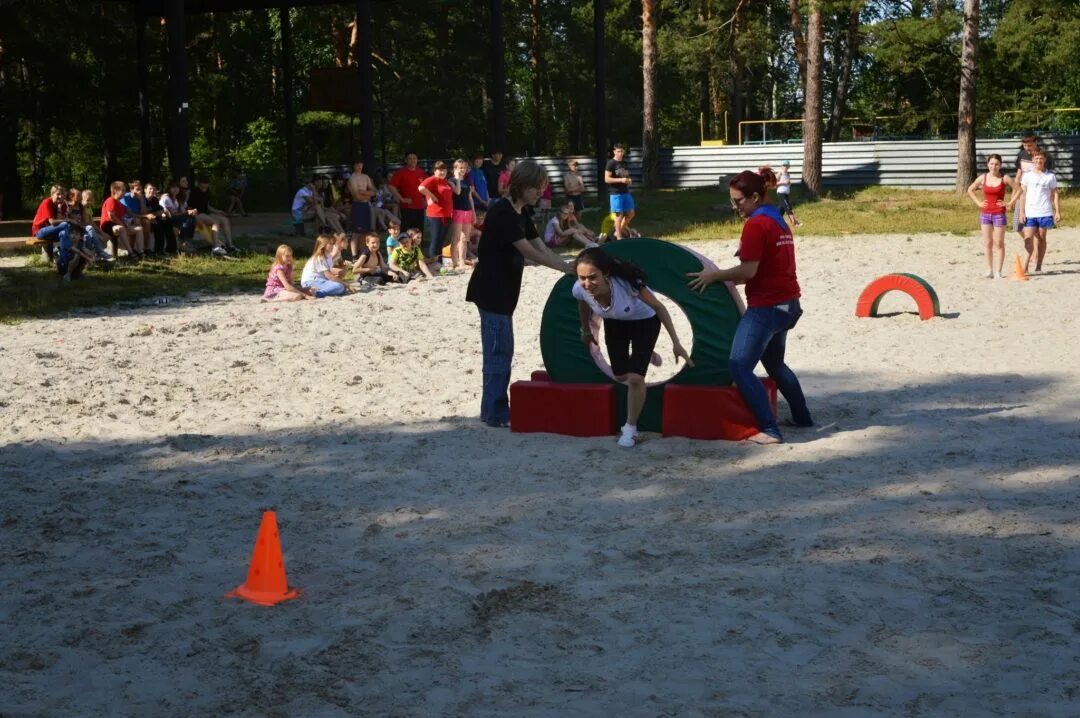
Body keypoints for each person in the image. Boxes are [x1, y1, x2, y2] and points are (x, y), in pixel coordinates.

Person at [687, 168, 813, 445]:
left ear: (755, 196)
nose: (735, 207)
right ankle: (802, 418)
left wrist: (713, 276)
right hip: (789, 305)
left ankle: (769, 429)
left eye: (739, 201)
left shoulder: (756, 225)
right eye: (732, 201)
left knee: (739, 366)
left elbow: (747, 272)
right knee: (775, 365)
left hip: (767, 308)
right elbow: (767, 265)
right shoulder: (777, 220)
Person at [466, 160, 575, 428]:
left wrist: (566, 265)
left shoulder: (521, 211)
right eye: (536, 188)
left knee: (502, 350)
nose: (540, 193)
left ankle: (491, 409)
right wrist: (563, 267)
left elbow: (539, 243)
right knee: (498, 353)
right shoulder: (503, 211)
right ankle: (495, 413)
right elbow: (527, 250)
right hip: (492, 291)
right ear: (522, 185)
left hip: (505, 292)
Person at [574, 247, 693, 447]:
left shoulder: (627, 285)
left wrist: (676, 342)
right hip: (614, 321)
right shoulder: (580, 289)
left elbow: (659, 307)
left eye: (593, 277)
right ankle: (645, 354)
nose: (587, 283)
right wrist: (586, 330)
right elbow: (583, 304)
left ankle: (630, 428)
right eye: (582, 277)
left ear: (606, 274)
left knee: (635, 378)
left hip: (644, 321)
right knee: (620, 375)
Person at [966, 153, 1018, 278]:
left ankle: (998, 271)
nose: (994, 166)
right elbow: (970, 189)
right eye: (991, 164)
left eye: (996, 164)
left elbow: (1019, 189)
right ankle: (989, 270)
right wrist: (978, 202)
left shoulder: (1004, 178)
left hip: (999, 214)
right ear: (987, 164)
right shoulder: (982, 178)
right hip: (985, 214)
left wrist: (1010, 203)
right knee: (988, 243)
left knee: (999, 243)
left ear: (1000, 165)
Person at [1014, 150, 1061, 274]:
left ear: (1044, 160)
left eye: (1041, 158)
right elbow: (1022, 195)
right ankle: (1024, 267)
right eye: (1036, 158)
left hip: (1045, 212)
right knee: (1028, 238)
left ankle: (1039, 265)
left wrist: (1057, 212)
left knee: (1041, 238)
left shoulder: (1050, 176)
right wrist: (1022, 212)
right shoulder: (1027, 176)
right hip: (1030, 212)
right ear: (1033, 160)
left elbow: (1055, 194)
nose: (1039, 161)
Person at [1013, 133, 1054, 241]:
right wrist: (1014, 196)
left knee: (1036, 230)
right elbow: (1018, 176)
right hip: (1023, 194)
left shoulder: (1043, 156)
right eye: (1025, 146)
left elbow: (1048, 177)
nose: (1027, 148)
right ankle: (1031, 245)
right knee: (1017, 226)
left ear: (1035, 143)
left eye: (1029, 146)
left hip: (1037, 198)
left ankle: (1035, 250)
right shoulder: (1021, 155)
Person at [448, 159, 480, 270]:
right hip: (457, 210)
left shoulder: (467, 182)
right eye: (460, 168)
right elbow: (457, 192)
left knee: (464, 238)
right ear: (455, 169)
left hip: (467, 211)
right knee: (456, 237)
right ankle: (454, 262)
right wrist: (457, 179)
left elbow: (470, 197)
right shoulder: (451, 180)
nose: (463, 170)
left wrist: (474, 213)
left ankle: (462, 261)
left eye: (465, 168)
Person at [418, 160, 453, 262]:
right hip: (435, 214)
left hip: (446, 214)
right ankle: (434, 262)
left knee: (442, 240)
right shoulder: (433, 179)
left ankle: (439, 261)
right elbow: (421, 187)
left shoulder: (446, 181)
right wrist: (431, 196)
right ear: (435, 171)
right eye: (440, 170)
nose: (442, 172)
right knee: (435, 239)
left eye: (444, 170)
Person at [189, 178, 236, 253]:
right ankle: (215, 247)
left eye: (206, 187)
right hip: (198, 214)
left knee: (225, 220)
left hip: (206, 213)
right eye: (202, 187)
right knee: (215, 222)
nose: (204, 189)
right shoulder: (193, 192)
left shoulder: (208, 191)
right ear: (198, 184)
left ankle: (230, 245)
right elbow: (189, 208)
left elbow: (207, 206)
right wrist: (195, 217)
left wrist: (218, 211)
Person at [100, 181, 143, 259]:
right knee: (121, 228)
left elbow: (129, 214)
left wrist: (135, 219)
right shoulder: (111, 200)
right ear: (114, 191)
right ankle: (131, 253)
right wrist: (123, 224)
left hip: (119, 225)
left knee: (139, 229)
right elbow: (111, 216)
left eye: (124, 190)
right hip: (107, 226)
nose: (124, 192)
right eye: (122, 190)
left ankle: (141, 252)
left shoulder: (120, 203)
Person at [388, 152, 428, 233]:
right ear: (406, 160)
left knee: (419, 232)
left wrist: (426, 199)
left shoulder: (421, 172)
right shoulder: (401, 172)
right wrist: (402, 199)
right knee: (407, 231)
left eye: (414, 158)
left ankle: (418, 246)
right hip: (407, 207)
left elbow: (426, 187)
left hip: (420, 206)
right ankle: (405, 246)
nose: (412, 160)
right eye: (410, 158)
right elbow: (391, 186)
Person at [31, 185, 70, 263]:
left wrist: (59, 209)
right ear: (52, 194)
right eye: (58, 194)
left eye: (62, 194)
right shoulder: (47, 202)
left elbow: (59, 220)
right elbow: (52, 222)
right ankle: (63, 253)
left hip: (53, 230)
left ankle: (62, 260)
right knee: (65, 225)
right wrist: (67, 220)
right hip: (40, 231)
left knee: (63, 233)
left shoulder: (62, 205)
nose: (60, 196)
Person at [347, 159, 376, 258]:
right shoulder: (352, 179)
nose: (359, 166)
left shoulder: (366, 177)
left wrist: (364, 192)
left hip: (366, 205)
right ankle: (354, 255)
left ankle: (362, 253)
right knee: (356, 232)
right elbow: (356, 196)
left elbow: (374, 191)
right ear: (354, 166)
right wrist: (368, 195)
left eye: (361, 164)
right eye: (357, 164)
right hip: (358, 205)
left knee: (365, 232)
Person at [605, 145, 635, 240]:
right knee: (619, 215)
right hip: (615, 193)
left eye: (622, 151)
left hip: (625, 192)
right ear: (614, 151)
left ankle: (617, 231)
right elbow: (607, 179)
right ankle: (618, 237)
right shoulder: (610, 163)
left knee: (631, 213)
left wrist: (629, 180)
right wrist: (621, 180)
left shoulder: (624, 163)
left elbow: (626, 175)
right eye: (618, 151)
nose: (620, 153)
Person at [160, 180, 196, 253]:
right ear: (169, 188)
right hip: (167, 218)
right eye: (173, 187)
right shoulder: (166, 198)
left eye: (177, 187)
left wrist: (191, 211)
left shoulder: (177, 198)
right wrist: (186, 212)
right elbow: (171, 214)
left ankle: (185, 242)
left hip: (176, 218)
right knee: (188, 220)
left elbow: (183, 210)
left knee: (192, 219)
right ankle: (184, 243)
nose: (175, 189)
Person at [775, 160, 801, 228]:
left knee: (781, 209)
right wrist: (784, 182)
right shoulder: (779, 173)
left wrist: (789, 183)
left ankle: (775, 221)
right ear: (781, 166)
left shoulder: (788, 174)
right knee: (788, 207)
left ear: (789, 166)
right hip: (781, 193)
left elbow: (787, 183)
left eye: (786, 166)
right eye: (784, 165)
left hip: (786, 193)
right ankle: (794, 223)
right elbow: (774, 183)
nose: (785, 167)